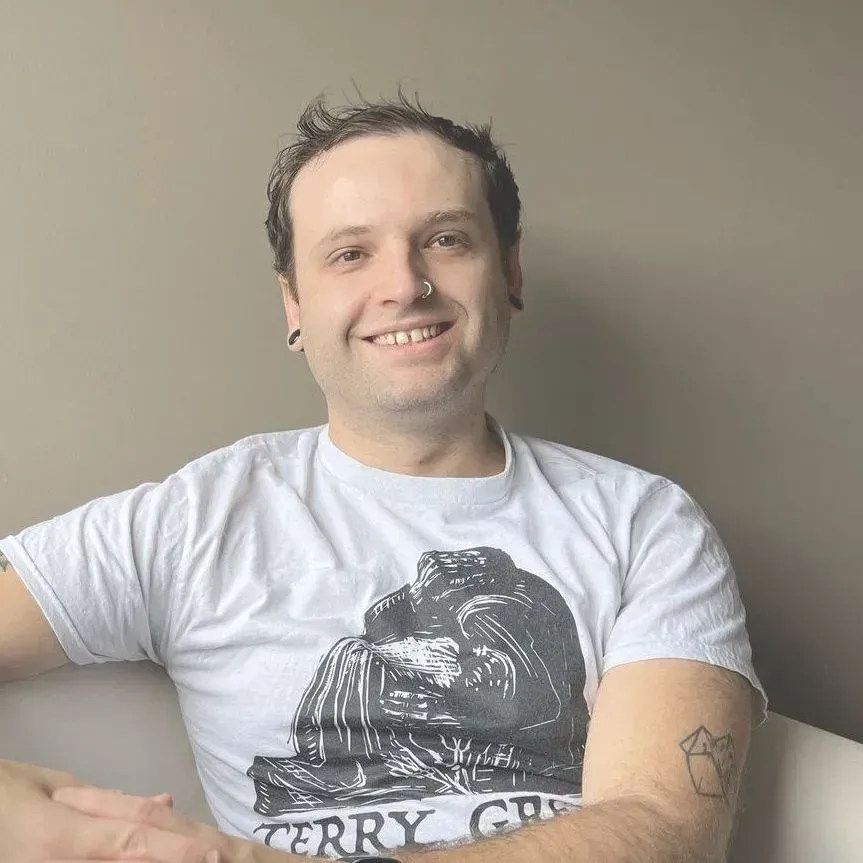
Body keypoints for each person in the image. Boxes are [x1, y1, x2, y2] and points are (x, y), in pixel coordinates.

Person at [0, 92, 766, 863]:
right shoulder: (189, 521)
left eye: (445, 239)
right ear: (294, 304)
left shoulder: (643, 522)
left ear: (509, 271)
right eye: (349, 253)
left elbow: (661, 829)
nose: (404, 284)